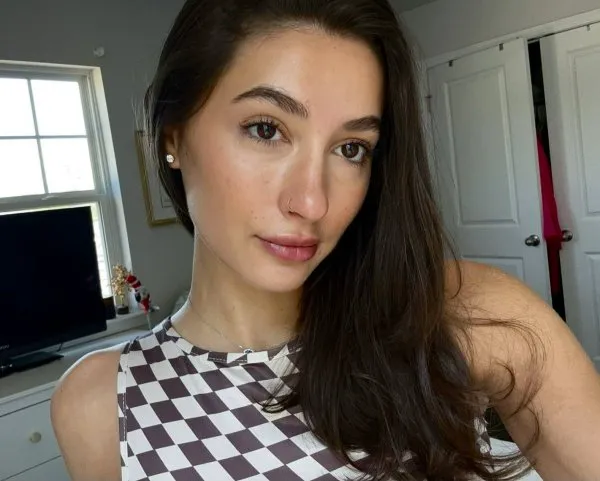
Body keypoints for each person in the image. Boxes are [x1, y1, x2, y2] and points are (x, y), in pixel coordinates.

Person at [50, 0, 600, 480]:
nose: (312, 202)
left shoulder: (462, 313)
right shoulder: (105, 402)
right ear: (174, 136)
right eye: (266, 129)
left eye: (351, 149)